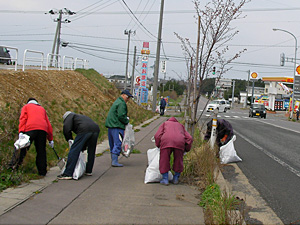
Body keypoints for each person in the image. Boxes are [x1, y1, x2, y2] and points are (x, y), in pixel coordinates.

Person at [9, 97, 54, 176]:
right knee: (41, 151)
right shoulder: (42, 109)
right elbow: (48, 124)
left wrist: (21, 131)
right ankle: (42, 172)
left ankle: (13, 167)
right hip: (42, 130)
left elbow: (23, 119)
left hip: (30, 129)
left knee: (22, 147)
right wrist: (50, 139)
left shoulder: (26, 107)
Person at [58, 111, 100, 180]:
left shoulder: (69, 117)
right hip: (95, 128)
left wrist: (69, 139)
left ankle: (68, 173)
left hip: (84, 129)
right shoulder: (80, 117)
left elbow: (66, 129)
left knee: (74, 150)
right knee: (91, 150)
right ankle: (89, 170)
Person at [154, 117, 193, 185]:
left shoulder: (164, 124)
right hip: (179, 142)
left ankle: (165, 179)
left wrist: (158, 145)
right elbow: (189, 138)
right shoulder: (180, 125)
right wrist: (186, 149)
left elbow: (157, 135)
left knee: (164, 160)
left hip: (166, 141)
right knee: (178, 160)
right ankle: (176, 178)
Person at [105, 90, 133, 167]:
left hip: (111, 125)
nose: (128, 99)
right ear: (123, 95)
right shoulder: (122, 103)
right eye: (127, 97)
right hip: (116, 126)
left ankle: (113, 158)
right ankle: (115, 161)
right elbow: (121, 115)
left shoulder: (117, 101)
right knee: (118, 143)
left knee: (112, 143)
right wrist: (126, 121)